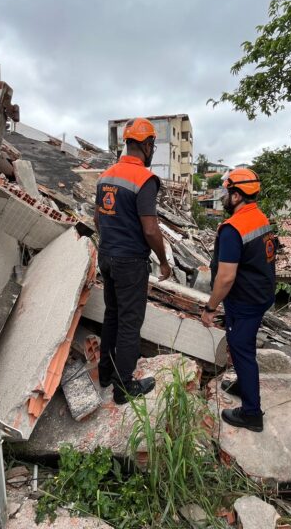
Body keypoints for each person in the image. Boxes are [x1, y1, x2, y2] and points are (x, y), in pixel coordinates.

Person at [94, 117, 172, 404]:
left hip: (107, 256)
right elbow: (150, 229)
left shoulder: (105, 176)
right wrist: (164, 261)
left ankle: (105, 374)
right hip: (130, 262)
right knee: (129, 323)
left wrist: (111, 244)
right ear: (147, 145)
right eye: (152, 145)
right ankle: (123, 387)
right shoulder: (144, 179)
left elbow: (98, 219)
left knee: (112, 315)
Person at [201, 168, 276, 432]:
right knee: (242, 344)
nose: (223, 197)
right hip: (260, 294)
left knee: (242, 351)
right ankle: (245, 385)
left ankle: (251, 413)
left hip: (245, 300)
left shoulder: (233, 229)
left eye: (226, 192)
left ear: (236, 196)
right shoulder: (259, 217)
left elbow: (225, 277)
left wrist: (210, 308)